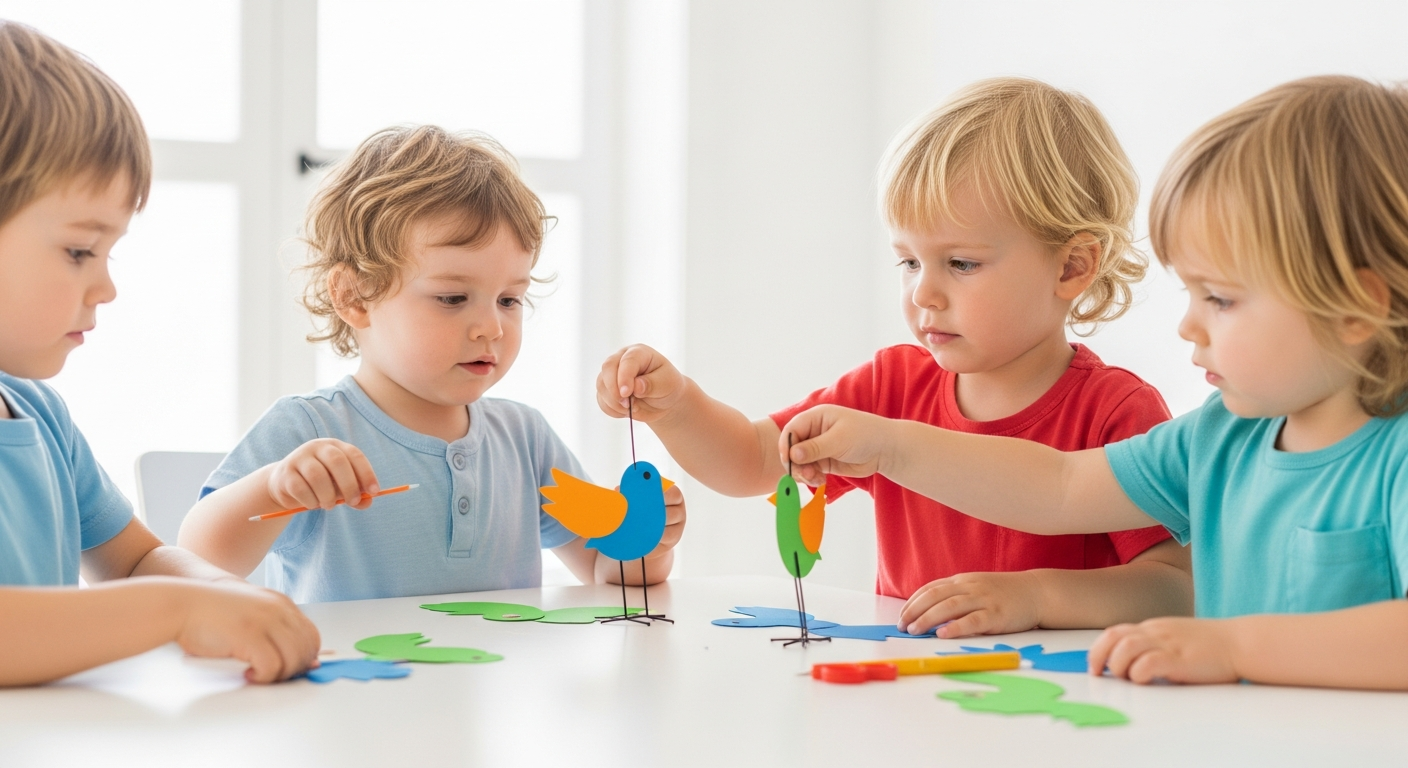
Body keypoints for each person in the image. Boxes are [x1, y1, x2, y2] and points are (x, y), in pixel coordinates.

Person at [783, 76, 1408, 690]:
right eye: (1189, 291)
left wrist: (1232, 645)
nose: (1188, 324)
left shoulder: (1394, 458)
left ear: (1354, 309)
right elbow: (1058, 485)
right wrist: (893, 446)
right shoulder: (1219, 435)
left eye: (1220, 298)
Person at [597, 78, 1191, 638]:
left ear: (1071, 267)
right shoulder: (891, 387)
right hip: (905, 701)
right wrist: (676, 407)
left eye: (961, 263)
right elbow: (751, 460)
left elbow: (1176, 589)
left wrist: (1037, 597)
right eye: (908, 261)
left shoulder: (1116, 413)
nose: (922, 294)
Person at [180, 126, 684, 602]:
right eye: (452, 298)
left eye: (509, 300)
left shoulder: (525, 439)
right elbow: (198, 558)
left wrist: (648, 542)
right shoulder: (310, 429)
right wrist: (273, 486)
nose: (492, 327)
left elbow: (605, 570)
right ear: (354, 296)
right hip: (352, 691)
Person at [0, 21, 320, 687]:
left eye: (108, 253)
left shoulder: (39, 416)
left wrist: (222, 595)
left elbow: (138, 560)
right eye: (80, 251)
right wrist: (176, 609)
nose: (107, 286)